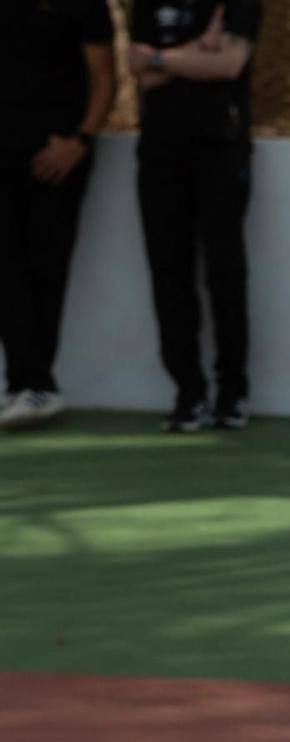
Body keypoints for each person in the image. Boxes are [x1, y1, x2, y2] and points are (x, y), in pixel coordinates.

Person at [127, 0, 263, 432]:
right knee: (169, 273)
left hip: (221, 150)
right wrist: (194, 53)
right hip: (160, 155)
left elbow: (229, 65)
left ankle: (232, 392)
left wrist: (165, 57)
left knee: (225, 271)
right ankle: (188, 393)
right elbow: (141, 72)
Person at [0, 0, 113, 430]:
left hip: (58, 156)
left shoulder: (84, 5)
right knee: (7, 269)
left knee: (47, 266)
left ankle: (36, 384)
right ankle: (24, 385)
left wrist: (78, 141)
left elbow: (105, 81)